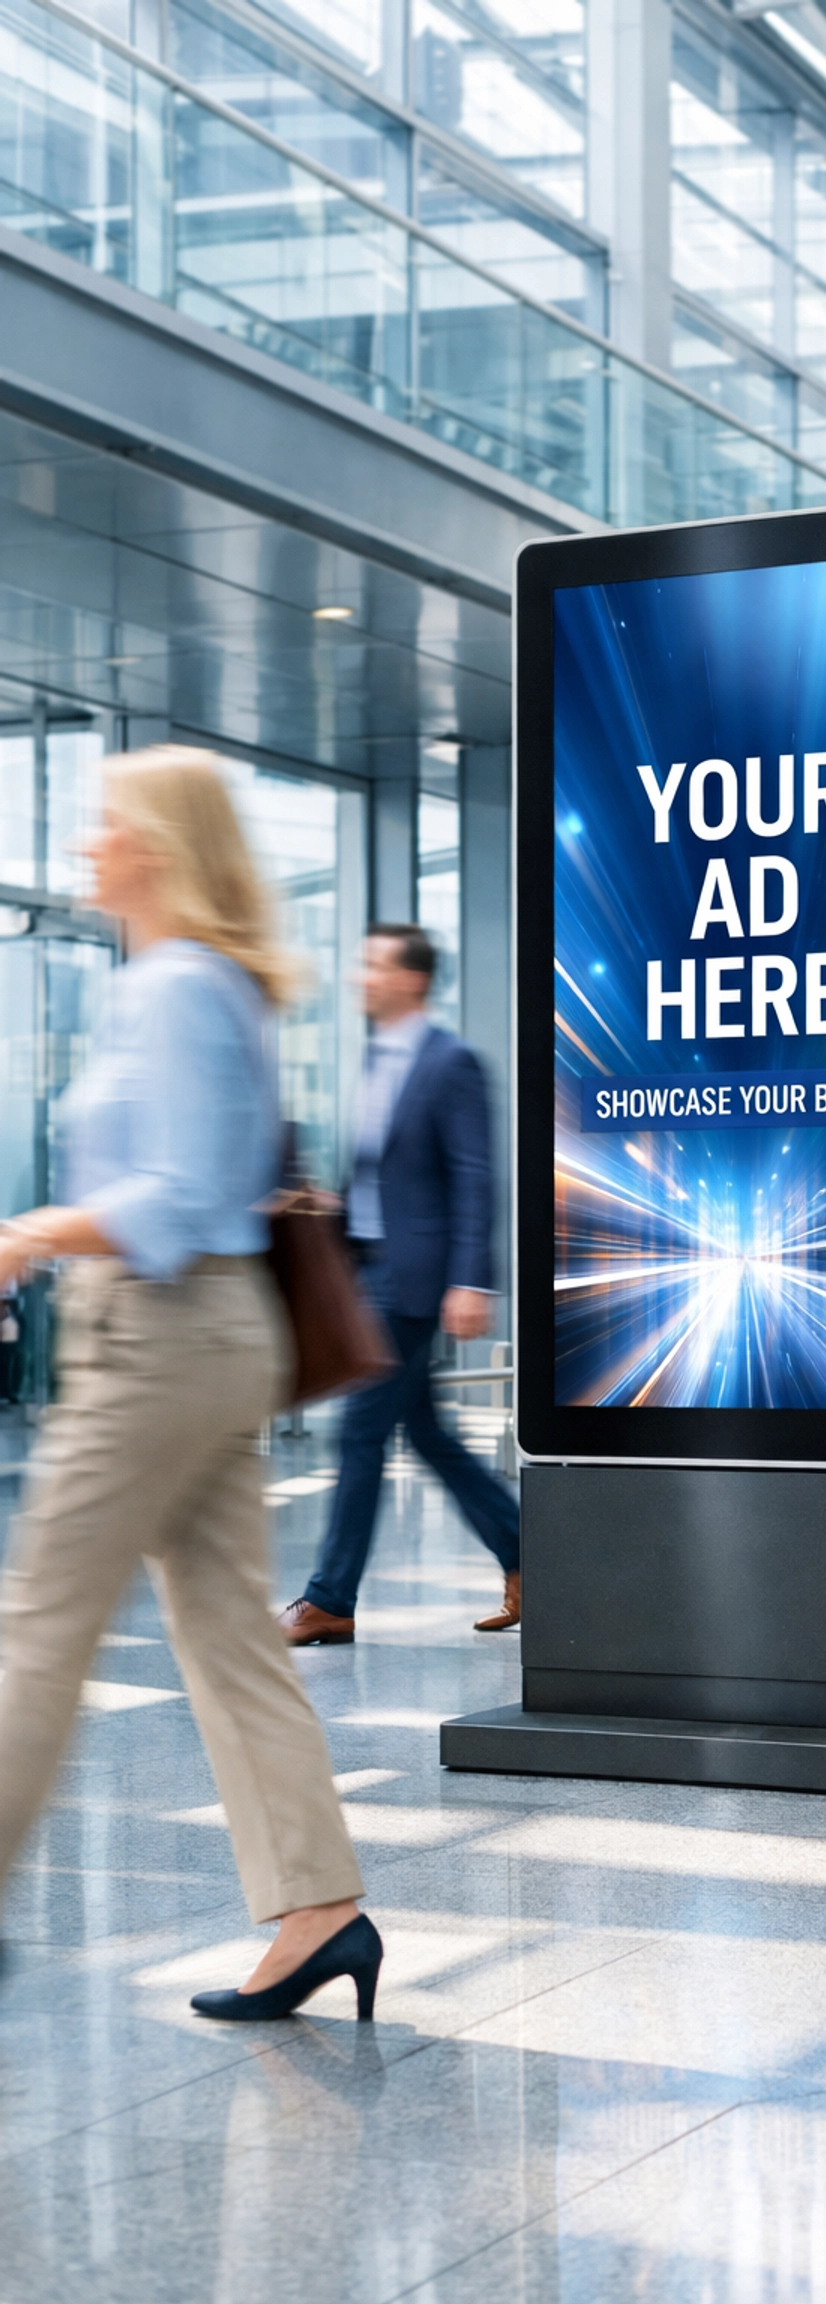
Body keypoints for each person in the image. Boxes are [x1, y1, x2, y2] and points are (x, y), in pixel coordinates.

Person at [0, 748, 380, 2021]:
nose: (83, 848)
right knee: (227, 1635)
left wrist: (33, 1234)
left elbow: (166, 1200)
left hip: (157, 1337)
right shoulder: (214, 984)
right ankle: (321, 1906)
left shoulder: (169, 987)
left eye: (105, 826)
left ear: (156, 848)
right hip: (216, 1337)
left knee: (43, 1620)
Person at [278, 925, 521, 1645]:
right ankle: (527, 1553)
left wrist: (470, 1280)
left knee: (360, 1431)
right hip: (372, 1265)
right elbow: (382, 1177)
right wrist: (331, 1210)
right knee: (425, 1430)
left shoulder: (451, 1063)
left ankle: (330, 1599)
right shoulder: (374, 1061)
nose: (360, 975)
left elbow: (475, 1176)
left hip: (413, 1278)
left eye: (374, 964)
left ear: (412, 980)